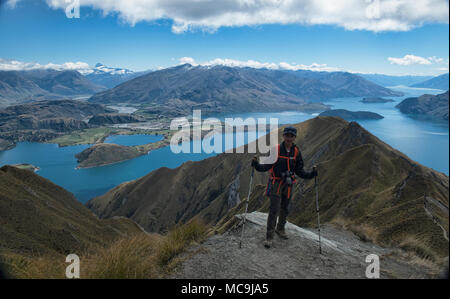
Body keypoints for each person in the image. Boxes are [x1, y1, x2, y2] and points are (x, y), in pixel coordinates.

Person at [251, 126, 317, 248]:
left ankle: (280, 229)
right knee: (274, 209)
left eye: (291, 136)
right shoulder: (276, 150)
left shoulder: (296, 152)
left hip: (288, 183)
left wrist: (311, 175)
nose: (289, 138)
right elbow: (265, 166)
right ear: (283, 136)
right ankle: (269, 237)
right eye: (287, 135)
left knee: (285, 208)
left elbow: (299, 170)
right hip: (276, 183)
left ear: (294, 138)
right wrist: (256, 165)